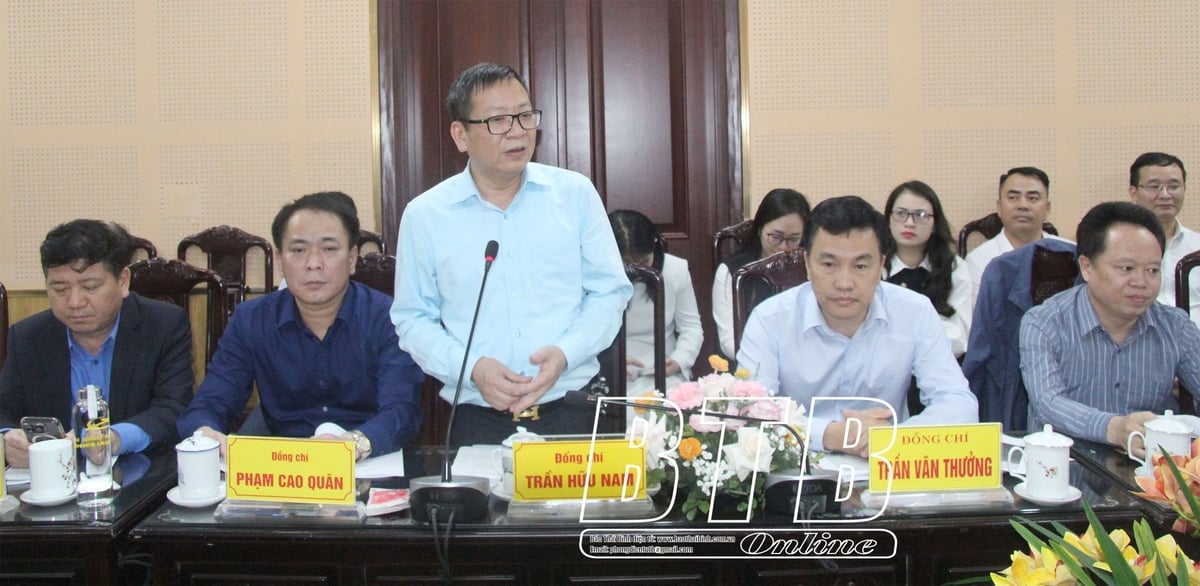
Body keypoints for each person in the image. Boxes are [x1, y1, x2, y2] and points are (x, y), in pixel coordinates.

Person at [390, 63, 632, 447]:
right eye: (498, 120)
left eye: (524, 115)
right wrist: (472, 369)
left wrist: (565, 354)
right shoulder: (425, 216)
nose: (517, 130)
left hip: (572, 409)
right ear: (460, 135)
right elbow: (413, 319)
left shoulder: (574, 195)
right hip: (475, 419)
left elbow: (610, 292)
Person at [178, 192, 423, 460]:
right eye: (298, 250)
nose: (313, 264)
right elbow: (210, 403)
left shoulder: (388, 318)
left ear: (352, 259)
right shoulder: (251, 319)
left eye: (329, 249)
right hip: (285, 469)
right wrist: (205, 432)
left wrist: (354, 444)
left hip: (370, 459)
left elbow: (402, 411)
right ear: (281, 260)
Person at [737, 196, 978, 457]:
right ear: (807, 264)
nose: (844, 283)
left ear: (881, 266)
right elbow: (750, 413)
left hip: (888, 464)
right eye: (828, 264)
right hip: (798, 470)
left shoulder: (915, 311)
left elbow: (958, 404)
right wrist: (832, 435)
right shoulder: (770, 319)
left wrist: (894, 436)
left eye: (861, 266)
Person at [1, 220, 193, 467]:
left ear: (123, 281)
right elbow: (4, 409)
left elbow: (173, 407)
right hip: (52, 477)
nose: (75, 302)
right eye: (60, 289)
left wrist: (115, 438)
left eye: (89, 287)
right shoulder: (27, 336)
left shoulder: (163, 325)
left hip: (137, 472)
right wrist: (6, 436)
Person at [1021, 202, 1200, 457]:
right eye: (1126, 269)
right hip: (1066, 469)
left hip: (1146, 473)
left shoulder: (1175, 326)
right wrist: (1114, 428)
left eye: (1152, 270)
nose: (1141, 282)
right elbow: (1047, 403)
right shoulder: (1043, 323)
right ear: (1087, 267)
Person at [608, 210, 703, 396]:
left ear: (654, 245)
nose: (637, 270)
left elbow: (691, 327)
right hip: (609, 371)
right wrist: (610, 362)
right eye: (625, 264)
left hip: (662, 371)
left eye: (643, 261)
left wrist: (679, 360)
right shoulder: (592, 275)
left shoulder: (675, 269)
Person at [712, 188, 810, 359]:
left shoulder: (812, 270)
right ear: (759, 230)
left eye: (794, 239)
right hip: (751, 362)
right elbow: (729, 342)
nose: (784, 247)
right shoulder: (732, 272)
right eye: (776, 237)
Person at [882, 180, 972, 357]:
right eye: (901, 214)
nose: (909, 223)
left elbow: (960, 339)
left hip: (940, 367)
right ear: (888, 220)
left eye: (921, 215)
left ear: (935, 224)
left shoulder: (955, 268)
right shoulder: (874, 266)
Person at [964, 167, 1071, 298]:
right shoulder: (979, 260)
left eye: (1032, 198)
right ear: (999, 207)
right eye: (1013, 197)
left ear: (1047, 208)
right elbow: (979, 316)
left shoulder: (1069, 254)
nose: (1023, 205)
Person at [1127, 152, 1198, 325]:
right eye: (1154, 186)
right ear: (1133, 192)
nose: (1165, 195)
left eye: (1174, 186)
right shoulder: (1118, 248)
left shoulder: (1197, 246)